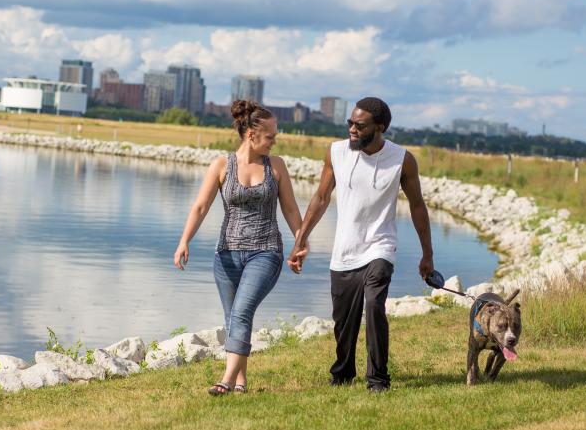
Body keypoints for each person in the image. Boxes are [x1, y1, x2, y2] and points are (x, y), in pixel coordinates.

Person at [287, 97, 433, 392]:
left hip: (381, 246)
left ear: (380, 127)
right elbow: (321, 197)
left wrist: (427, 254)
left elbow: (417, 206)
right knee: (343, 322)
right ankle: (343, 373)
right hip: (344, 250)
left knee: (374, 306)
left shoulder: (402, 159)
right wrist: (300, 239)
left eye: (359, 125)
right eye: (350, 123)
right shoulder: (337, 152)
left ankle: (378, 379)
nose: (352, 129)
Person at [174, 100, 303, 395]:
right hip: (226, 255)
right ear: (251, 135)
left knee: (242, 313)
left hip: (266, 251)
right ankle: (242, 381)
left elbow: (292, 211)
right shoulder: (222, 165)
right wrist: (184, 241)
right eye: (270, 136)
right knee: (233, 317)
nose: (274, 141)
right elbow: (201, 206)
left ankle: (227, 379)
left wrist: (300, 242)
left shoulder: (277, 166)